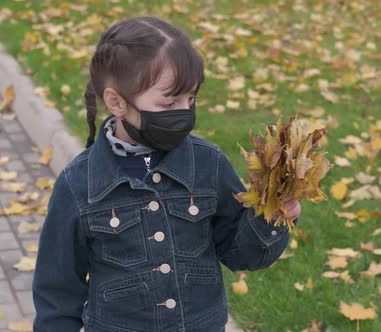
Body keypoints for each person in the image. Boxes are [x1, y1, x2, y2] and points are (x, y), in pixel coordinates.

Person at [32, 16, 301, 332]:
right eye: (169, 101)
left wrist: (272, 217)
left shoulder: (207, 163)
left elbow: (240, 254)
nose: (184, 112)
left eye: (190, 99)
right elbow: (57, 290)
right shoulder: (79, 184)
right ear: (116, 102)